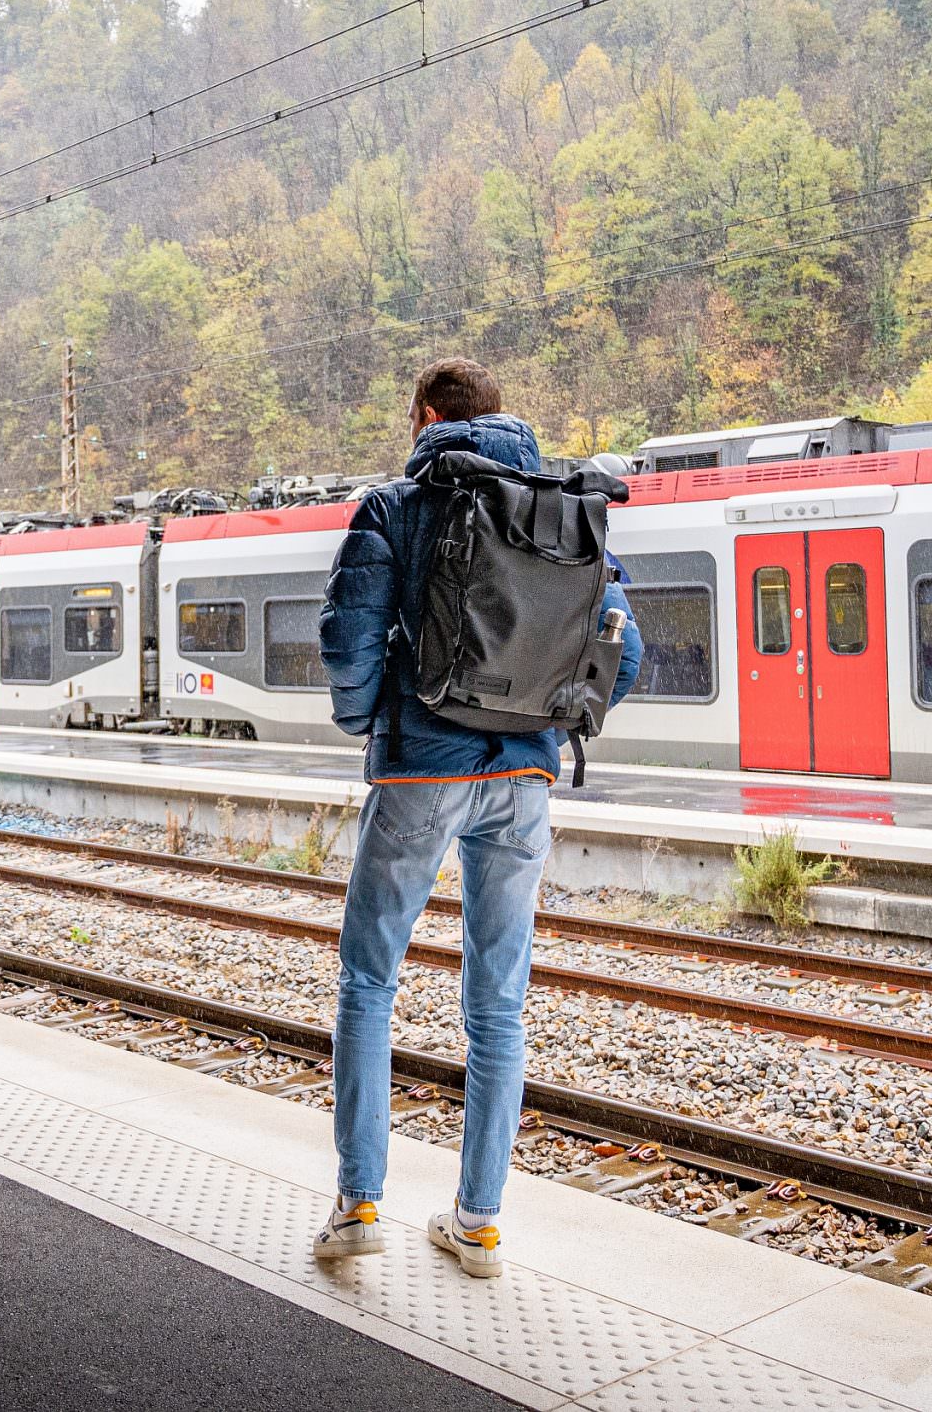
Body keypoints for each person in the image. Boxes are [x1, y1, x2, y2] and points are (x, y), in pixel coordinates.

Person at [311, 358, 641, 1278]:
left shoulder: (396, 504)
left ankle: (360, 1203)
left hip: (422, 766)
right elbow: (629, 647)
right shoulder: (564, 504)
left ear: (424, 415)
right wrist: (550, 713)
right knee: (498, 1006)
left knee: (369, 983)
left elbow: (346, 638)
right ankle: (479, 1221)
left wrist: (370, 719)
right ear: (503, 417)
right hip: (527, 774)